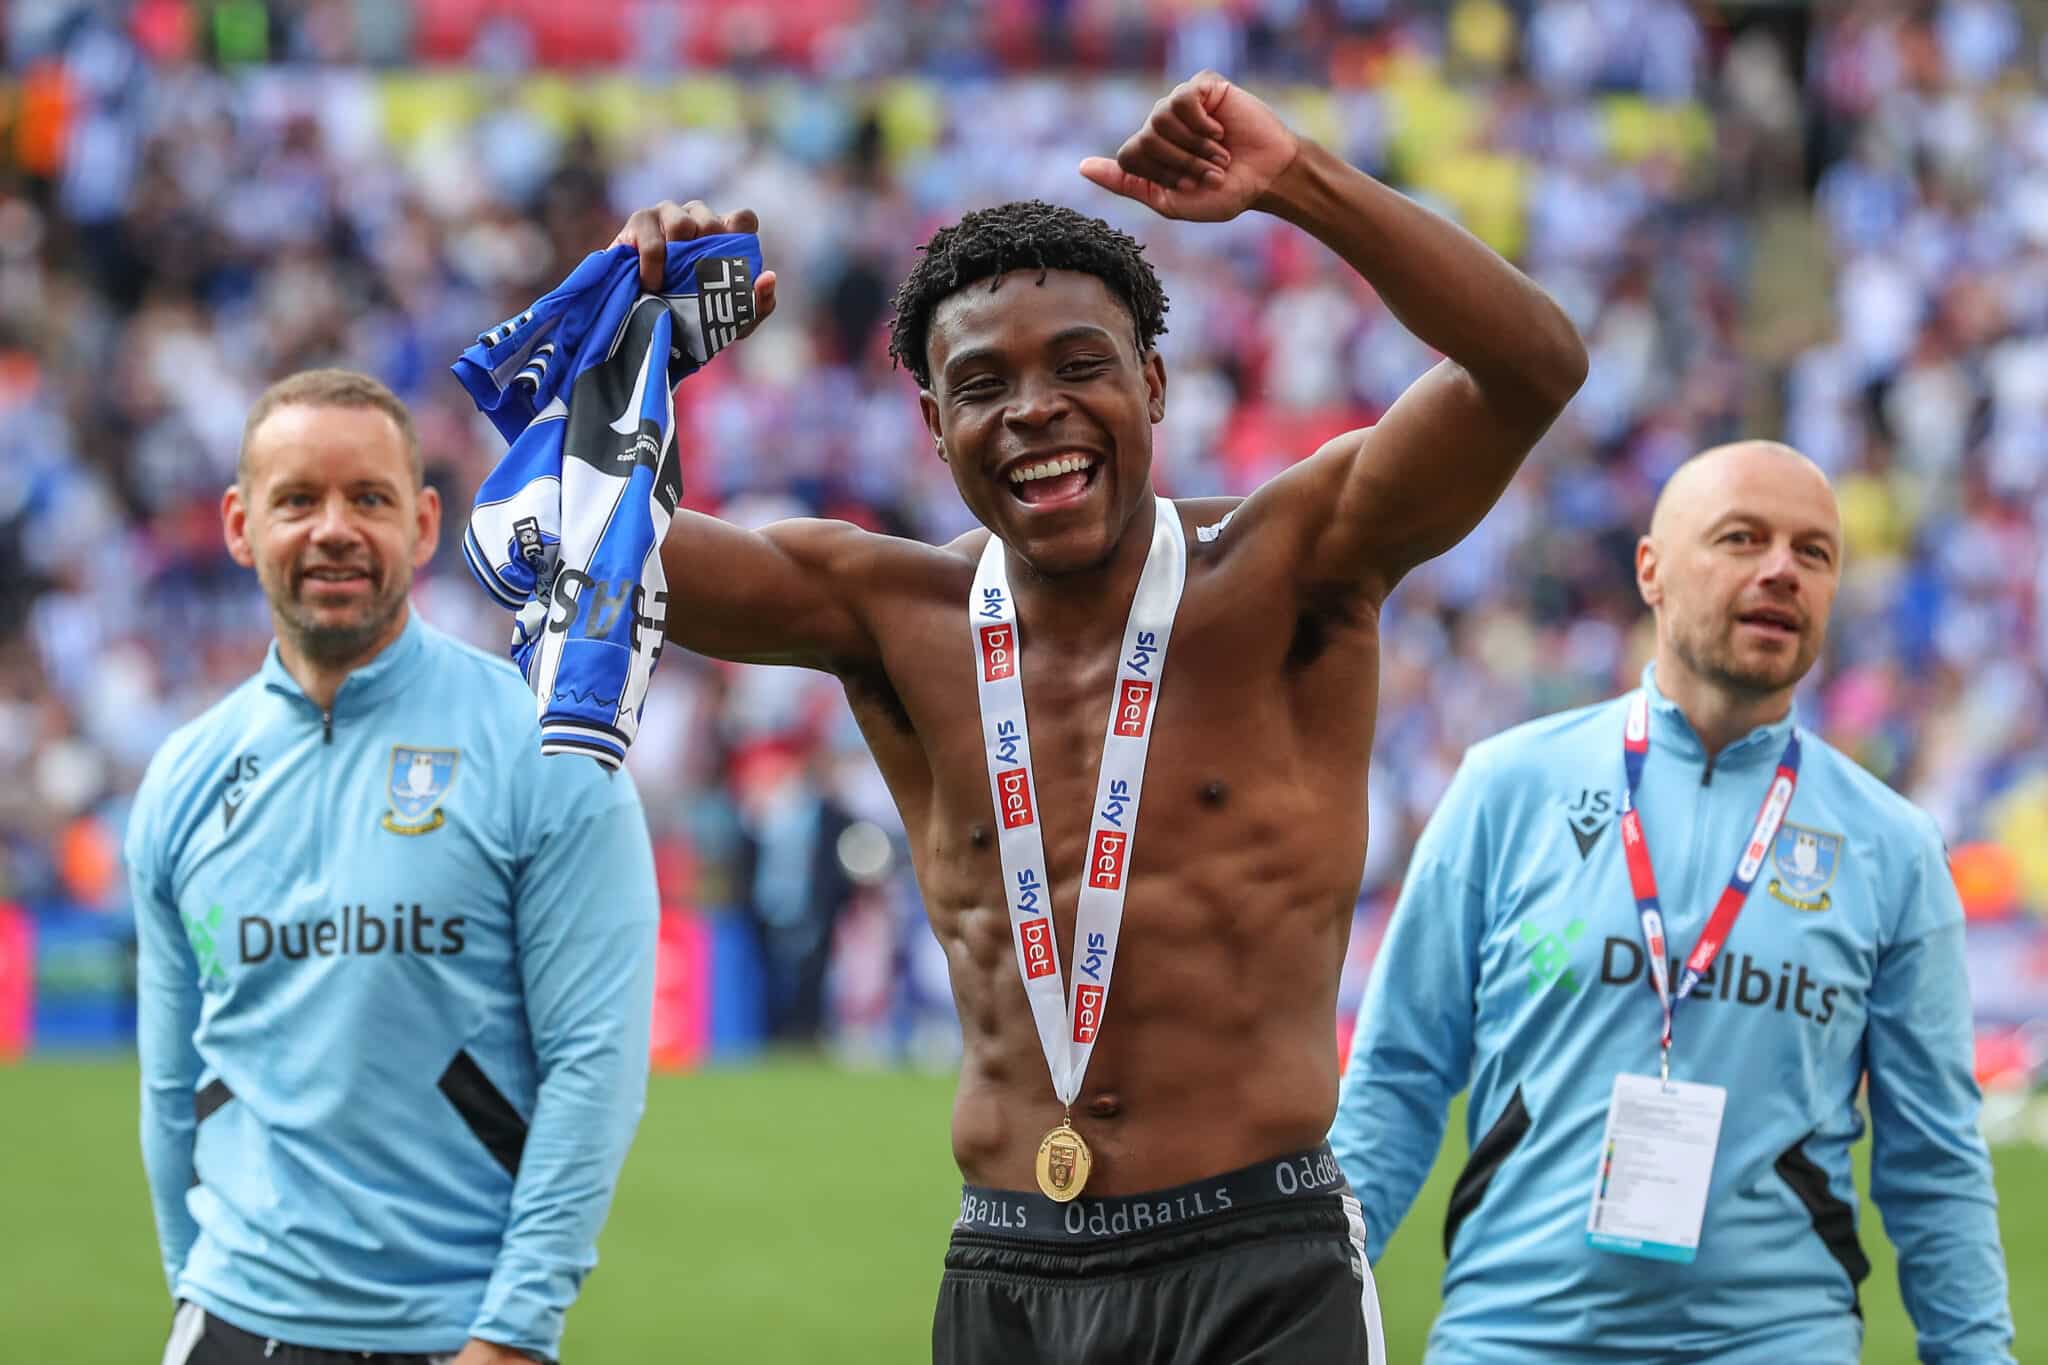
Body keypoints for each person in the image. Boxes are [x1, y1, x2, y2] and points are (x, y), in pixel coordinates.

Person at [611, 72, 1586, 1361]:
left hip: (1258, 1257)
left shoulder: (1287, 565)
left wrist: (1299, 182)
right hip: (1006, 1263)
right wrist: (620, 356)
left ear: (1157, 387)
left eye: (1081, 367)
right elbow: (560, 557)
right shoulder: (883, 610)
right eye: (983, 384)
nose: (1034, 411)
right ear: (933, 422)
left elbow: (1532, 367)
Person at [1331, 440, 2015, 1362]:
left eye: (1814, 553)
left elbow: (1934, 1158)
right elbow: (1397, 1077)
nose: (1782, 569)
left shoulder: (1892, 847)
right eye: (1743, 538)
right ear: (1650, 569)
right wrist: (1315, 1305)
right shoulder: (1507, 789)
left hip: (1779, 1340)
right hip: (1515, 1336)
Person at [129, 369, 659, 1365]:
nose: (334, 529)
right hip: (228, 1319)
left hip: (456, 1337)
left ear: (422, 526)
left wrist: (512, 1332)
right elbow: (171, 1083)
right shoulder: (183, 779)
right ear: (241, 527)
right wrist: (194, 1291)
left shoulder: (544, 745)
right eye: (298, 499)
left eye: (367, 498)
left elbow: (595, 1066)